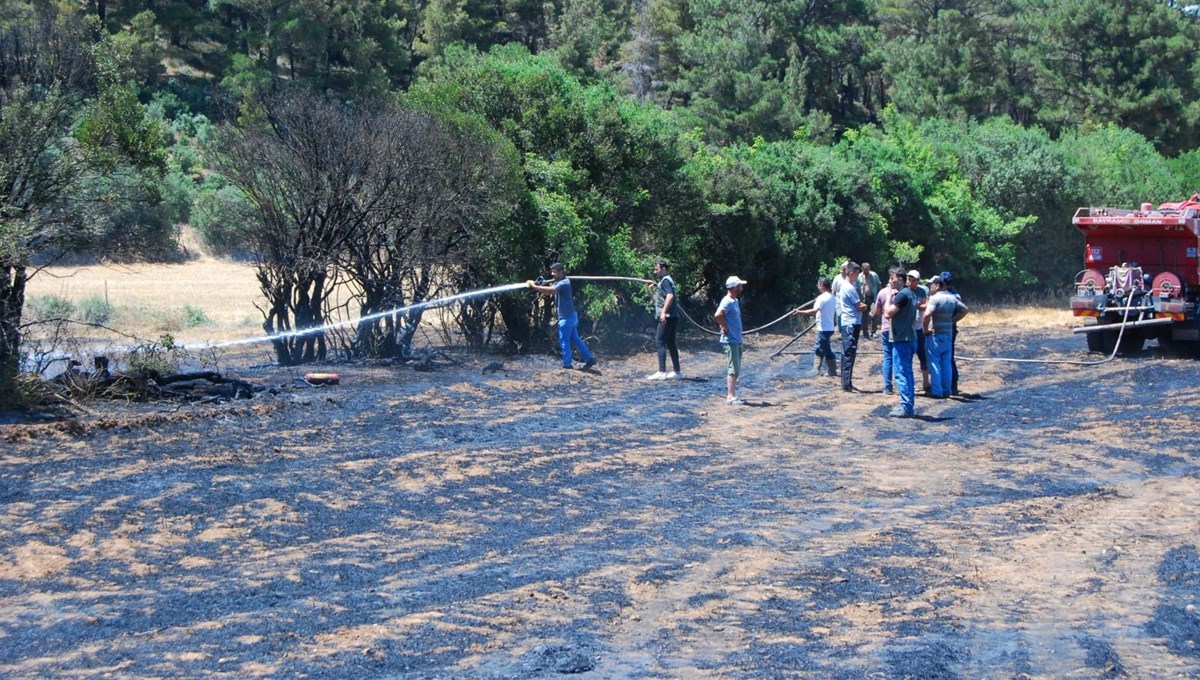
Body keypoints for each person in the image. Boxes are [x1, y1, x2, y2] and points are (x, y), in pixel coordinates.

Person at [528, 263, 596, 370]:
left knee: (564, 341)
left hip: (566, 319)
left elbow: (550, 291)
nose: (552, 274)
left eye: (554, 272)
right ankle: (589, 359)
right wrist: (541, 283)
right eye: (552, 272)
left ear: (561, 272)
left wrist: (534, 286)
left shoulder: (563, 283)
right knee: (576, 339)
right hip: (572, 317)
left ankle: (567, 365)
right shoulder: (560, 281)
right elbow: (550, 286)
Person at [923, 275, 969, 398]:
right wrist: (952, 321)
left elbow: (927, 315)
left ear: (937, 286)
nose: (929, 287)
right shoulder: (951, 298)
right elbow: (965, 309)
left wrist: (925, 329)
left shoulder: (934, 299)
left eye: (931, 285)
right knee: (946, 363)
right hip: (948, 334)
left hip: (935, 334)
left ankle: (937, 391)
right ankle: (947, 390)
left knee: (935, 363)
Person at [884, 268, 921, 418]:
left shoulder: (901, 295)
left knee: (901, 373)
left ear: (899, 278)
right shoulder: (911, 293)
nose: (890, 281)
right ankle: (908, 404)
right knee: (908, 373)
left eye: (891, 278)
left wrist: (888, 297)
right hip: (910, 338)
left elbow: (888, 313)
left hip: (903, 340)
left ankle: (906, 407)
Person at [645, 259, 683, 380]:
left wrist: (663, 313)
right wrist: (649, 289)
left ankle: (662, 372)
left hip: (668, 317)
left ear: (664, 269)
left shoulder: (666, 281)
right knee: (671, 343)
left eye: (656, 269)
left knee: (659, 341)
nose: (654, 272)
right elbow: (658, 299)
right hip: (671, 316)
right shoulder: (663, 282)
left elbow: (670, 296)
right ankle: (677, 372)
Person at [793, 276, 837, 378]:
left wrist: (800, 312)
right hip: (829, 327)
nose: (817, 286)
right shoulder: (832, 297)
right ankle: (824, 370)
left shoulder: (821, 298)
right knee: (824, 347)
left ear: (822, 285)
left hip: (823, 328)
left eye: (818, 285)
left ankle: (820, 370)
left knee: (822, 349)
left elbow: (814, 311)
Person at [715, 276, 747, 404]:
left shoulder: (735, 301)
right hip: (731, 339)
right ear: (734, 287)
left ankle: (733, 394)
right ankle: (730, 396)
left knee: (736, 368)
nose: (741, 287)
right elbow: (718, 314)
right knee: (733, 368)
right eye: (740, 285)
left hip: (736, 339)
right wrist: (724, 326)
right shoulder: (727, 301)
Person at [836, 262, 869, 392]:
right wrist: (865, 306)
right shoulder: (849, 288)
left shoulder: (846, 286)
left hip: (849, 322)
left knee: (848, 352)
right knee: (849, 352)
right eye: (856, 273)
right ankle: (846, 384)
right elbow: (859, 306)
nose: (858, 275)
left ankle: (847, 382)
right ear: (851, 273)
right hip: (851, 322)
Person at [873, 268, 903, 394]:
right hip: (900, 329)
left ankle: (887, 386)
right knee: (899, 357)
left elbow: (877, 311)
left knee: (888, 357)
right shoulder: (903, 293)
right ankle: (901, 386)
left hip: (886, 328)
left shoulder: (882, 293)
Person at [906, 270, 931, 394]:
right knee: (908, 357)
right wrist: (917, 304)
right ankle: (911, 384)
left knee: (923, 356)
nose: (911, 282)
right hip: (908, 328)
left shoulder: (922, 291)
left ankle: (926, 382)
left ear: (918, 281)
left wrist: (915, 304)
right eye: (909, 279)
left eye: (913, 280)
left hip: (919, 328)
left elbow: (925, 306)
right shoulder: (905, 291)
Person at [941, 271, 963, 395]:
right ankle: (952, 385)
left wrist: (950, 322)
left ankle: (951, 385)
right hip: (951, 328)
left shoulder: (950, 295)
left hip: (948, 328)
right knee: (949, 356)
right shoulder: (956, 295)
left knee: (946, 356)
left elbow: (962, 310)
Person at [858, 262, 882, 339]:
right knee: (864, 317)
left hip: (873, 298)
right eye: (865, 270)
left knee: (875, 314)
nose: (867, 272)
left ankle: (873, 332)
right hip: (863, 299)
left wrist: (881, 296)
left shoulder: (874, 275)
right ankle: (865, 334)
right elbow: (857, 288)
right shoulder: (859, 277)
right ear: (862, 269)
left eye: (868, 270)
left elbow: (879, 285)